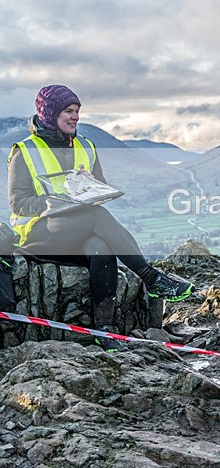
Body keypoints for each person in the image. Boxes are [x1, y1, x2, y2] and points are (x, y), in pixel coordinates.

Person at [7, 84, 195, 351]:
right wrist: (51, 203)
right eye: (68, 111)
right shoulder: (24, 151)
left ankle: (103, 329)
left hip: (78, 231)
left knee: (100, 247)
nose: (75, 117)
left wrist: (91, 186)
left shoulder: (85, 146)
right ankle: (151, 279)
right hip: (40, 233)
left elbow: (100, 187)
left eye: (77, 111)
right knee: (97, 216)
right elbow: (18, 203)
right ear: (50, 113)